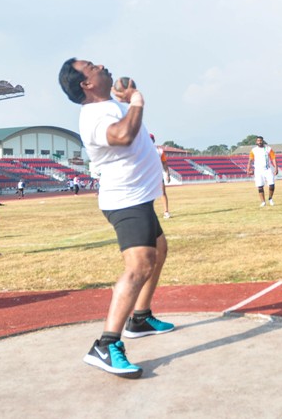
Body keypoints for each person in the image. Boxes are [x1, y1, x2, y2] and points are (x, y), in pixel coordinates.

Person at [59, 57, 174, 379]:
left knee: (159, 250)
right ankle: (106, 344)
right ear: (86, 84)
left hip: (139, 198)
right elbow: (122, 136)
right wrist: (137, 102)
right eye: (92, 67)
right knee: (139, 266)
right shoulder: (93, 116)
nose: (102, 66)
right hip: (126, 201)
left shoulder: (109, 105)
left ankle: (141, 317)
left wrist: (127, 103)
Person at [246, 136, 277, 207]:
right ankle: (263, 202)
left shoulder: (268, 149)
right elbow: (250, 160)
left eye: (260, 140)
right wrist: (248, 169)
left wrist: (276, 168)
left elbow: (273, 159)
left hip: (267, 169)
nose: (259, 142)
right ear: (256, 142)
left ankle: (270, 198)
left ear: (263, 141)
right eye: (258, 141)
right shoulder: (253, 150)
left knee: (272, 185)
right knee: (260, 186)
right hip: (258, 170)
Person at [150, 133, 171, 219]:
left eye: (151, 139)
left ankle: (166, 211)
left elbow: (164, 163)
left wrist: (167, 174)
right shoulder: (141, 150)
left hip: (157, 174)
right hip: (146, 176)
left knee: (163, 192)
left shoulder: (159, 151)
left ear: (153, 141)